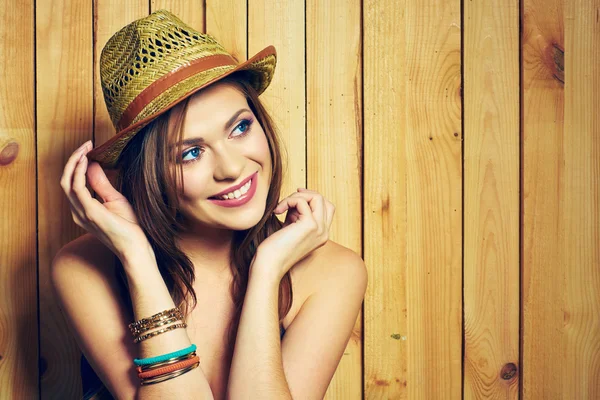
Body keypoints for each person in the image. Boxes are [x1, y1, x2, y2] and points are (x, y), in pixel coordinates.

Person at [51, 9, 367, 400]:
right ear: (149, 173)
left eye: (240, 127)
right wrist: (137, 257)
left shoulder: (334, 272)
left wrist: (267, 271)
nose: (233, 168)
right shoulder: (84, 268)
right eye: (191, 153)